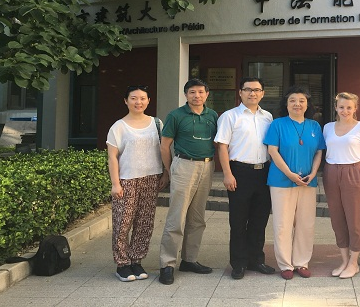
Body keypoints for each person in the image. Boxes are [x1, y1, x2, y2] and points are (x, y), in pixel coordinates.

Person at [158, 79, 218, 285]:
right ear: (186, 95)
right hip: (184, 165)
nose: (197, 96)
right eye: (192, 92)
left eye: (201, 92)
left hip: (207, 166)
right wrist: (169, 171)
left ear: (207, 94)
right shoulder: (175, 115)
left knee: (197, 217)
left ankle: (189, 259)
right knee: (176, 217)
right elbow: (164, 146)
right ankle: (167, 264)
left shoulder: (213, 115)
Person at [214, 77, 275, 280]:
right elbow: (222, 146)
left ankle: (256, 260)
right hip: (239, 172)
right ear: (240, 93)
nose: (252, 93)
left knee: (259, 219)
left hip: (264, 172)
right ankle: (239, 263)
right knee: (238, 221)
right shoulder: (230, 116)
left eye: (256, 90)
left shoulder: (268, 117)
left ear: (262, 93)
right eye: (248, 89)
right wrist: (227, 173)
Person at [106, 85, 167, 282]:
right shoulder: (118, 126)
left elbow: (164, 150)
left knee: (144, 222)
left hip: (151, 178)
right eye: (133, 98)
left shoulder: (157, 123)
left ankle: (136, 260)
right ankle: (122, 263)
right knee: (122, 222)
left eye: (142, 98)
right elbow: (112, 157)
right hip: (127, 180)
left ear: (148, 101)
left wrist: (166, 173)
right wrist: (115, 183)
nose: (138, 102)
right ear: (126, 101)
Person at [264, 86, 326, 280]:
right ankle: (285, 264)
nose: (297, 104)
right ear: (286, 104)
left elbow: (319, 152)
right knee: (283, 224)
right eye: (292, 100)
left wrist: (314, 172)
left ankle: (302, 262)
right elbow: (272, 151)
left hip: (307, 181)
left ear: (307, 104)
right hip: (281, 181)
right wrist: (289, 174)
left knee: (305, 223)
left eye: (301, 101)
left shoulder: (314, 126)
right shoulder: (277, 124)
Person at [323, 92, 360, 279]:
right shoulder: (327, 127)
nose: (345, 111)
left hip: (354, 171)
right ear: (336, 108)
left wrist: (353, 171)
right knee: (337, 218)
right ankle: (344, 260)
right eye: (341, 107)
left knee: (355, 219)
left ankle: (354, 262)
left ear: (355, 108)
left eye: (349, 107)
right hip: (331, 171)